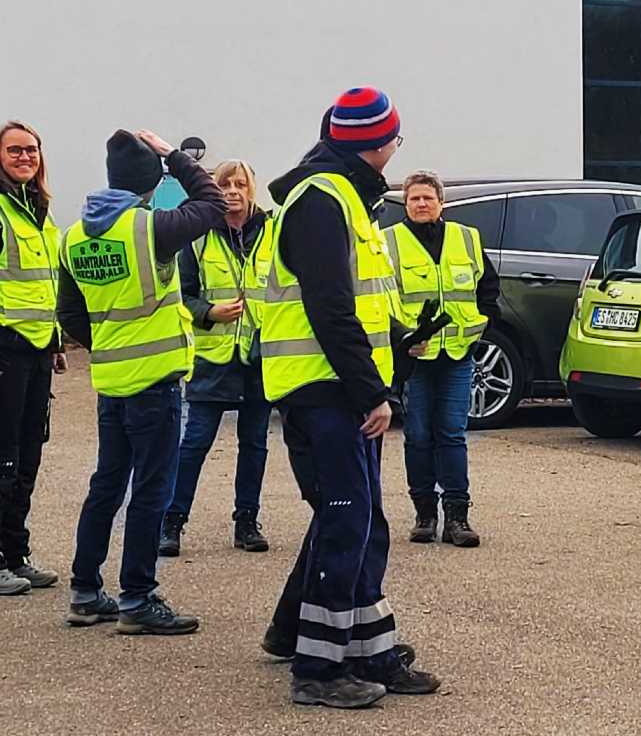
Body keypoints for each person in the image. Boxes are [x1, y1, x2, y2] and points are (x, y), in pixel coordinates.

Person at [261, 87, 437, 708]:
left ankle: (370, 651)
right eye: (396, 137)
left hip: (338, 388)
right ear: (379, 143)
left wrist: (397, 352)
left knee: (363, 523)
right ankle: (316, 669)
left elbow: (358, 305)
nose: (396, 147)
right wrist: (371, 392)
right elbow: (330, 308)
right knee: (346, 521)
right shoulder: (323, 198)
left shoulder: (340, 196)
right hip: (325, 391)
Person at [58, 129, 227, 633]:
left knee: (107, 485)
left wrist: (108, 342)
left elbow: (69, 311)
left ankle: (85, 591)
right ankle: (137, 598)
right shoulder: (150, 227)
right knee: (152, 489)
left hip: (111, 379)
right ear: (149, 184)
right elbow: (213, 202)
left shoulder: (74, 235)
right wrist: (173, 156)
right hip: (153, 381)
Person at [159, 160, 272, 557]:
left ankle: (247, 521)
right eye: (225, 184)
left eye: (241, 183)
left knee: (255, 443)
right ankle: (171, 523)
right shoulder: (199, 237)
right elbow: (180, 295)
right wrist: (209, 312)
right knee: (194, 444)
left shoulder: (273, 234)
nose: (233, 190)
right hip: (213, 359)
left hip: (260, 359)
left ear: (252, 188)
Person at [385, 170, 499, 547]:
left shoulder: (466, 239)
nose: (421, 204)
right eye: (414, 198)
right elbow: (380, 301)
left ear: (441, 203)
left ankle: (457, 516)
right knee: (417, 435)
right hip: (415, 358)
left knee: (452, 433)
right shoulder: (390, 244)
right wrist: (401, 341)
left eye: (427, 198)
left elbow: (489, 289)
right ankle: (424, 514)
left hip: (457, 354)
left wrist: (479, 326)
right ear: (405, 202)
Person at [0, 120, 64, 595]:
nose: (25, 157)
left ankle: (15, 552)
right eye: (15, 150)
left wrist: (56, 339)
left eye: (32, 150)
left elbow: (48, 285)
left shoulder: (39, 212)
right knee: (2, 457)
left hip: (38, 348)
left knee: (27, 456)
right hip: (6, 347)